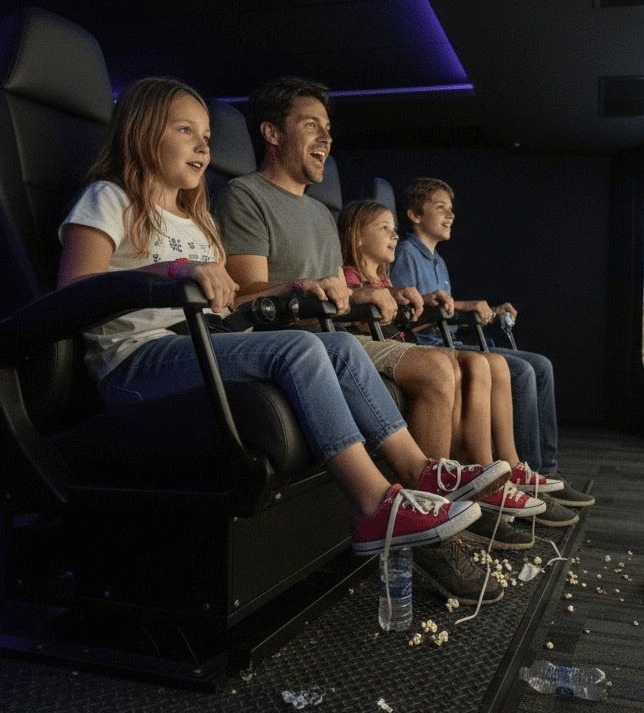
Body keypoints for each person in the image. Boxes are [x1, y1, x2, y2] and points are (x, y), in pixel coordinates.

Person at [55, 76, 504, 556]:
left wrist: (288, 288)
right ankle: (373, 506)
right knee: (300, 347)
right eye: (186, 131)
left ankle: (419, 471)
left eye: (206, 136)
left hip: (203, 343)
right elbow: (73, 292)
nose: (203, 147)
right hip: (136, 361)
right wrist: (174, 270)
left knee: (341, 346)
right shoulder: (109, 198)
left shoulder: (197, 222)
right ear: (142, 131)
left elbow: (229, 305)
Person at [214, 77, 529, 598]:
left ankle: (428, 504)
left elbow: (336, 291)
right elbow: (245, 296)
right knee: (433, 365)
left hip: (335, 337)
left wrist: (366, 295)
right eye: (310, 125)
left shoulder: (321, 213)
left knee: (446, 365)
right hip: (289, 340)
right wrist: (307, 290)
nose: (326, 138)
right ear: (271, 133)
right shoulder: (245, 196)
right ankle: (427, 533)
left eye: (328, 128)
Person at [391, 177, 597, 522]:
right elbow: (404, 317)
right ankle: (526, 476)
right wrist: (464, 306)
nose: (450, 215)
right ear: (414, 214)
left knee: (541, 365)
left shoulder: (437, 259)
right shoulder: (406, 254)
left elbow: (446, 311)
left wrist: (487, 310)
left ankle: (546, 470)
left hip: (453, 340)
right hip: (430, 348)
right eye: (440, 208)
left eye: (451, 209)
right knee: (522, 371)